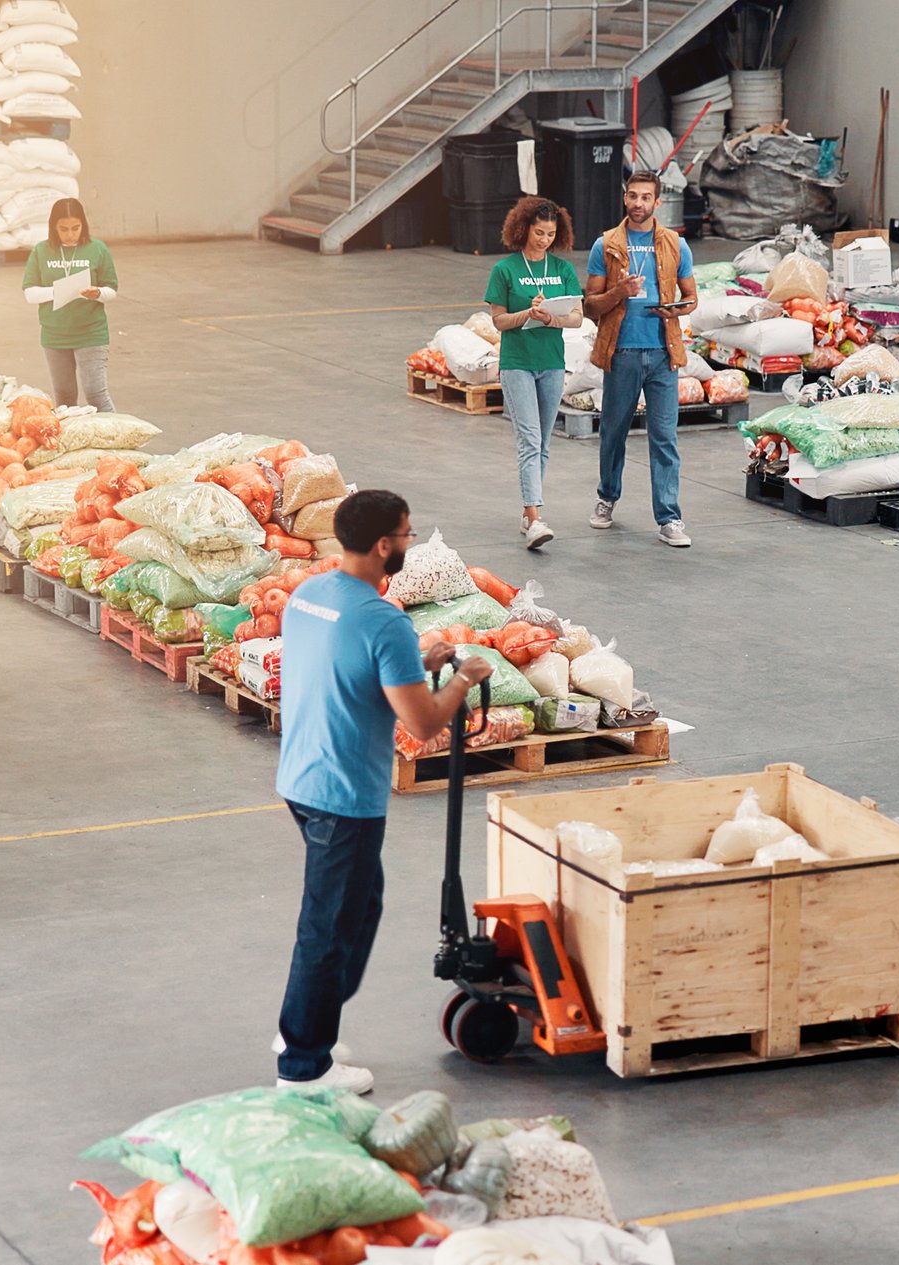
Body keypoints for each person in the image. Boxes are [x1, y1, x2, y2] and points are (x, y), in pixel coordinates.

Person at [272, 490, 495, 1092]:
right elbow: (422, 725)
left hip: (302, 775)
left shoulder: (311, 593)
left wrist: (420, 662)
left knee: (359, 906)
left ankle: (307, 1020)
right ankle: (303, 1064)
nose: (409, 543)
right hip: (345, 794)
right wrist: (465, 678)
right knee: (328, 927)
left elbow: (347, 664)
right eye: (406, 534)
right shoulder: (384, 620)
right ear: (382, 545)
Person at [584, 171, 697, 549]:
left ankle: (669, 517)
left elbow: (692, 297)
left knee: (664, 437)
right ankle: (606, 497)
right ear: (625, 198)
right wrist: (619, 291)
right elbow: (591, 306)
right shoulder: (606, 245)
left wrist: (676, 310)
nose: (638, 203)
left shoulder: (676, 245)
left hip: (664, 354)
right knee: (613, 432)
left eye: (646, 197)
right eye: (632, 196)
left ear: (657, 202)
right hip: (622, 352)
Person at [484, 197, 582, 551]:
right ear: (523, 229)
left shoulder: (563, 270)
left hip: (552, 363)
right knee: (529, 439)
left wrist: (550, 318)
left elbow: (577, 318)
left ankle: (529, 514)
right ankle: (535, 516)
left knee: (543, 443)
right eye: (539, 232)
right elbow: (498, 321)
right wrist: (527, 313)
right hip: (517, 364)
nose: (544, 239)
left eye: (551, 234)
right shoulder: (505, 270)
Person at [20, 197, 118, 410]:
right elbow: (30, 293)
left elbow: (112, 290)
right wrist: (59, 291)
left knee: (96, 394)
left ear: (83, 225)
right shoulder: (41, 251)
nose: (70, 234)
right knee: (64, 396)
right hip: (55, 335)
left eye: (76, 228)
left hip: (91, 333)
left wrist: (97, 293)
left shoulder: (98, 249)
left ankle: (115, 431)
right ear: (54, 228)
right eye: (63, 229)